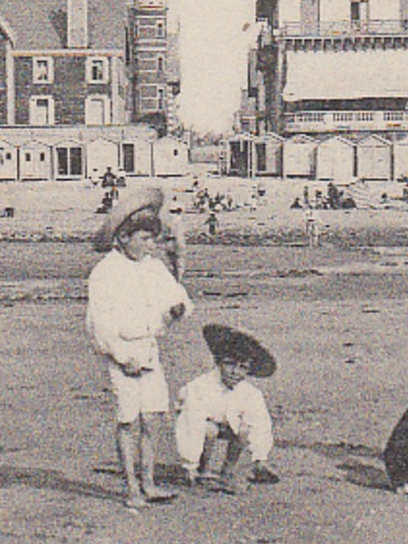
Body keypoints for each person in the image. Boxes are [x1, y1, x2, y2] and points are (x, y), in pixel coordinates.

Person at [86, 187, 192, 509]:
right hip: (123, 351)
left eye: (152, 239)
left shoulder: (152, 267)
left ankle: (149, 481)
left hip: (148, 348)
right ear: (122, 238)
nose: (150, 246)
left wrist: (176, 309)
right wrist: (120, 356)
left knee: (153, 417)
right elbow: (98, 322)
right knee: (128, 420)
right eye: (143, 239)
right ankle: (131, 487)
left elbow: (176, 296)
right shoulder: (105, 272)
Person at [174, 324, 278, 494]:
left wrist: (260, 457)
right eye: (229, 364)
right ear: (219, 362)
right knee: (209, 430)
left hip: (228, 422)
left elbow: (260, 424)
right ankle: (202, 469)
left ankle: (227, 471)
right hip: (200, 423)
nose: (235, 372)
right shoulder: (200, 387)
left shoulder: (250, 393)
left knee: (245, 429)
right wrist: (189, 463)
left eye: (242, 368)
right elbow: (190, 424)